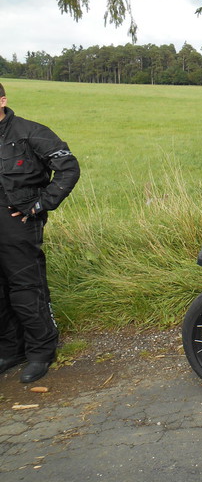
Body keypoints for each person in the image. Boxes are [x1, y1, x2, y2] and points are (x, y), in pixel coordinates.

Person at [0, 83, 80, 384]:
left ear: (2, 101)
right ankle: (10, 350)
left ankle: (40, 352)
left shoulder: (30, 132)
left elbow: (68, 167)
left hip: (17, 220)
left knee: (25, 287)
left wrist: (40, 204)